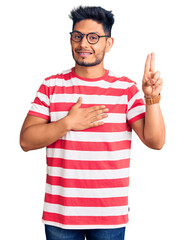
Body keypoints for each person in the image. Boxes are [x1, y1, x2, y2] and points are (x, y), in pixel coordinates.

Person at [20, 6, 165, 240]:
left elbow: (155, 141)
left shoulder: (125, 89)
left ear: (108, 43)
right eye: (77, 36)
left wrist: (151, 98)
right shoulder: (51, 86)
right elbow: (26, 141)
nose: (83, 44)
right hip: (61, 215)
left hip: (109, 214)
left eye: (93, 37)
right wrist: (67, 123)